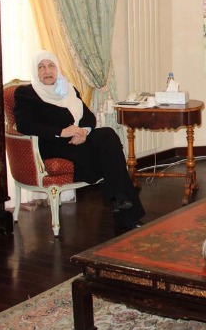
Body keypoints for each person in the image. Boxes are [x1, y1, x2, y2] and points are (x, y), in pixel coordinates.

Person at [14, 51, 145, 231]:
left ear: (57, 69)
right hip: (52, 144)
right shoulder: (25, 93)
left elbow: (88, 117)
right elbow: (24, 125)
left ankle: (119, 198)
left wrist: (83, 131)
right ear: (35, 71)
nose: (47, 71)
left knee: (108, 135)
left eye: (51, 66)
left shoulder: (68, 89)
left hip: (78, 139)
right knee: (109, 154)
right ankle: (123, 207)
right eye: (41, 67)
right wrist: (61, 132)